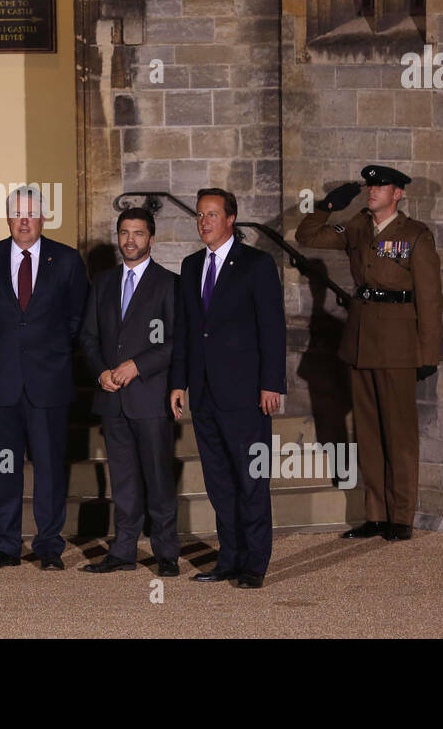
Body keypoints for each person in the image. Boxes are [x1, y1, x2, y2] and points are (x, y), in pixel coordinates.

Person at [295, 164, 443, 542]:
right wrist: (328, 204)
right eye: (370, 185)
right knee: (368, 432)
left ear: (399, 194)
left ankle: (402, 515)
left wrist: (428, 353)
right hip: (360, 342)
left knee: (400, 434)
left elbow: (430, 298)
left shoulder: (415, 235)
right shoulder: (359, 227)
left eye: (381, 186)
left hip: (398, 345)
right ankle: (376, 514)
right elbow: (307, 235)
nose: (372, 190)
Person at [0, 185, 89, 570]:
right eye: (18, 214)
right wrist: (6, 347)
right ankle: (5, 545)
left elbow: (77, 317)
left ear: (43, 218)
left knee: (49, 467)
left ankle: (49, 546)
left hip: (48, 382)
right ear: (8, 218)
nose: (24, 221)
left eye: (31, 214)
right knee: (5, 465)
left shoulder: (65, 260)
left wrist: (45, 350)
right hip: (0, 384)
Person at [170, 188, 286, 588]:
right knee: (219, 483)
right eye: (200, 215)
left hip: (246, 394)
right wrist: (178, 383)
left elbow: (272, 328)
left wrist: (271, 383)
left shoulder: (257, 264)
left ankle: (255, 564)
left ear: (231, 219)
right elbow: (185, 330)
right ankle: (229, 559)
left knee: (251, 481)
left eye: (213, 214)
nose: (205, 221)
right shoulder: (189, 266)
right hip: (203, 394)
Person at [78, 206, 180, 576]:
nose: (130, 240)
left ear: (151, 239)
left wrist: (139, 365)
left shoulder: (169, 284)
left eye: (138, 233)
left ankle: (166, 551)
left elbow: (176, 342)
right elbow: (87, 336)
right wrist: (100, 371)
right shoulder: (102, 282)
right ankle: (123, 551)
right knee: (122, 480)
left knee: (157, 476)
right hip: (111, 398)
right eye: (124, 233)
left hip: (150, 397)